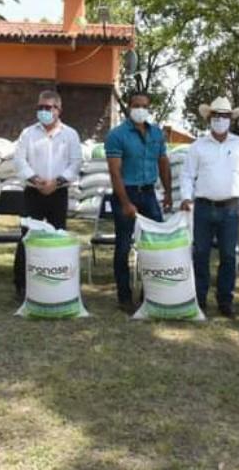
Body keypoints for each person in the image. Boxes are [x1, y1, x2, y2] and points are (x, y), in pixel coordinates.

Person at [180, 97, 239, 317]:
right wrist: (186, 197)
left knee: (229, 256)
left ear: (231, 119)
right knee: (200, 253)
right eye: (216, 116)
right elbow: (186, 174)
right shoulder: (198, 146)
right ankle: (199, 299)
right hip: (203, 207)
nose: (220, 120)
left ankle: (225, 301)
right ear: (209, 118)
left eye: (224, 116)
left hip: (231, 208)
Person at [105, 92, 172, 313]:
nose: (140, 109)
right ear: (128, 107)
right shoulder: (117, 135)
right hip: (126, 192)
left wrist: (169, 193)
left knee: (154, 244)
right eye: (136, 105)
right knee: (123, 246)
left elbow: (163, 163)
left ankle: (149, 293)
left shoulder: (156, 134)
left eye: (144, 106)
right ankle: (124, 297)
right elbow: (115, 173)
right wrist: (125, 202)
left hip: (149, 194)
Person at [13, 90, 82, 301]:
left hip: (58, 193)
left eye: (48, 107)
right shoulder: (28, 133)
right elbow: (19, 161)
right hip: (33, 192)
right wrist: (35, 180)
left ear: (58, 110)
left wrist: (57, 182)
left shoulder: (70, 134)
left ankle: (56, 279)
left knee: (58, 237)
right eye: (40, 107)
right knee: (27, 237)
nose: (43, 111)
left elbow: (75, 163)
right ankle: (22, 285)